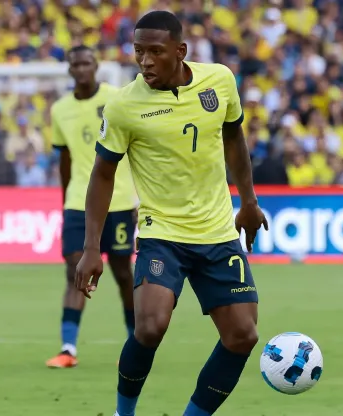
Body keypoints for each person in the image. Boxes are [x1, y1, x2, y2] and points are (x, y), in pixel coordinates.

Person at [75, 11, 268, 416]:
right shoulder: (125, 105)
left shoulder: (219, 81)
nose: (144, 61)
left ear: (180, 52)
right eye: (138, 51)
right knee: (149, 326)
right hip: (162, 232)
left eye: (155, 52)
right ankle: (122, 413)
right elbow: (102, 175)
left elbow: (234, 137)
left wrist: (248, 202)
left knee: (242, 336)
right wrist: (92, 246)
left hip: (217, 233)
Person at [48, 45, 139, 368]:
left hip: (117, 201)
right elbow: (65, 159)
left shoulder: (118, 97)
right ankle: (68, 347)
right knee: (74, 268)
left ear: (96, 65)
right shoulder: (60, 109)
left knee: (122, 273)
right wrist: (64, 202)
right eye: (76, 64)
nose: (82, 69)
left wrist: (138, 197)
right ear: (70, 69)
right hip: (77, 202)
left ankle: (137, 339)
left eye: (87, 63)